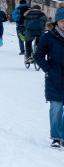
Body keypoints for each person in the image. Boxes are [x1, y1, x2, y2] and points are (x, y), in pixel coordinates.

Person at [30, 9, 64, 148]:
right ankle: (56, 137)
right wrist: (48, 69)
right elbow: (38, 55)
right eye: (62, 21)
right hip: (55, 77)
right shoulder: (48, 36)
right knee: (56, 107)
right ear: (56, 22)